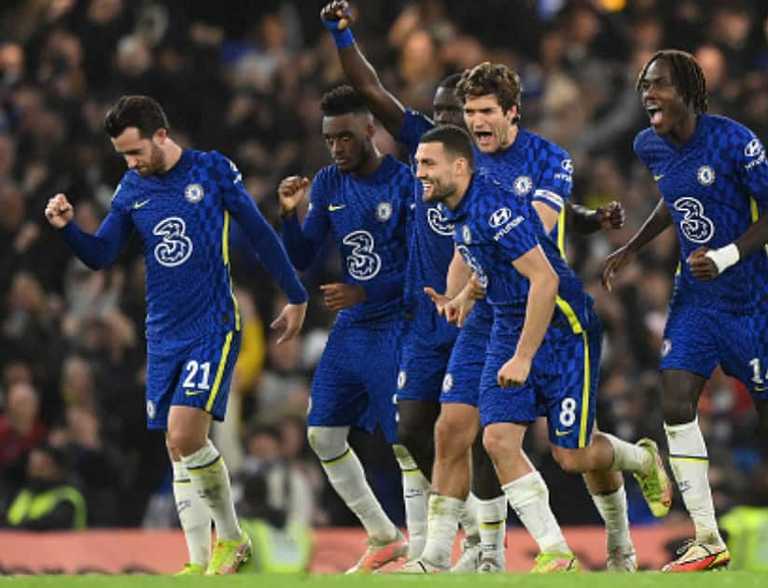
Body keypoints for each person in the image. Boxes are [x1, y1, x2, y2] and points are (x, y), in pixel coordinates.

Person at [319, 3, 625, 570]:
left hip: (534, 308)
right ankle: (446, 552)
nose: (459, 122)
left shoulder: (522, 167)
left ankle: (496, 548)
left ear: (508, 113)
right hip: (460, 310)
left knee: (553, 449)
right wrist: (341, 32)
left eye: (473, 112)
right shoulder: (446, 167)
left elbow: (531, 237)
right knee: (440, 429)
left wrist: (582, 220)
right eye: (453, 112)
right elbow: (372, 88)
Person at [44, 95, 308, 575]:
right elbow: (102, 254)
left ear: (161, 135)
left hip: (212, 325)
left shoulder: (211, 171)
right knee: (174, 444)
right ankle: (198, 560)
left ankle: (232, 537)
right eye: (122, 155)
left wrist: (296, 294)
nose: (130, 162)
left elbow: (258, 232)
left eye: (135, 151)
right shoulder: (130, 188)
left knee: (187, 432)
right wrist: (67, 230)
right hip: (163, 334)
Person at [601, 49, 768, 573]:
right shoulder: (648, 145)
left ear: (688, 92)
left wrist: (725, 256)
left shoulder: (735, 141)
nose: (648, 95)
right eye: (644, 87)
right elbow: (673, 200)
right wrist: (631, 248)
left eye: (658, 85)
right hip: (696, 299)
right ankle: (706, 535)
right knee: (676, 403)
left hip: (752, 298)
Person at [414, 125, 669, 573]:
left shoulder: (494, 209)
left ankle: (642, 459)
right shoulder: (457, 207)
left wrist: (524, 356)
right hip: (508, 324)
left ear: (459, 166)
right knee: (496, 439)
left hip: (565, 330)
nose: (420, 173)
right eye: (418, 164)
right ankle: (556, 551)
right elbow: (487, 265)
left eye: (428, 164)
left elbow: (545, 279)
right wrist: (461, 300)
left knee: (572, 456)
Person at [276, 85, 414, 574]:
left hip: (397, 321)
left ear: (370, 129)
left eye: (345, 137)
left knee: (406, 441)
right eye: (329, 139)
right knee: (323, 435)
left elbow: (424, 270)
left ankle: (430, 551)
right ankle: (383, 535)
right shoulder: (330, 183)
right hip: (353, 326)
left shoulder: (406, 183)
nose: (336, 148)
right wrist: (290, 217)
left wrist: (365, 293)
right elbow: (304, 257)